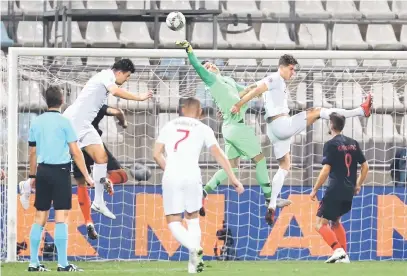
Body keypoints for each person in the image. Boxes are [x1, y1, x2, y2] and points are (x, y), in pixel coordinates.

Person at [231, 54, 373, 225]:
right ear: (282, 66)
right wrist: (238, 105)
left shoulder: (272, 81)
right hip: (281, 123)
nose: (293, 73)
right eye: (291, 69)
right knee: (318, 111)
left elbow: (249, 88)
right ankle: (360, 111)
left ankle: (272, 204)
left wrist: (233, 101)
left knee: (284, 166)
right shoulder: (275, 78)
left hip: (273, 130)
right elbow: (255, 91)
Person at [176, 40, 291, 219]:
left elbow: (245, 91)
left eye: (212, 64)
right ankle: (269, 199)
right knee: (260, 159)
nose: (210, 65)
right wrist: (190, 50)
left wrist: (261, 86)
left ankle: (204, 192)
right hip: (236, 127)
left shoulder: (227, 80)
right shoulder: (212, 81)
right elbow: (198, 66)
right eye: (208, 66)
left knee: (232, 167)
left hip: (230, 128)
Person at [153, 97, 244, 273]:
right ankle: (193, 267)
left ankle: (194, 248)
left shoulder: (169, 125)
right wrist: (233, 178)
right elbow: (219, 155)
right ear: (200, 112)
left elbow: (156, 154)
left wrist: (170, 170)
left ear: (182, 109)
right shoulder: (203, 128)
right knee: (192, 219)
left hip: (172, 174)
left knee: (173, 222)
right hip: (193, 175)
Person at [63, 59, 152, 219]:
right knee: (56, 161)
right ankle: (29, 184)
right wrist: (139, 97)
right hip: (74, 122)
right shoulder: (105, 76)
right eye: (127, 76)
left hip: (83, 124)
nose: (126, 80)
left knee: (101, 158)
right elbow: (116, 91)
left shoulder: (104, 79)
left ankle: (98, 201)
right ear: (119, 72)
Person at [27, 86, 93, 272]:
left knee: (40, 215)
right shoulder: (65, 122)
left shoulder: (36, 122)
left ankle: (33, 263)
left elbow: (32, 152)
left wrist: (32, 175)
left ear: (46, 101)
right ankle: (63, 264)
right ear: (62, 100)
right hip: (61, 171)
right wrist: (87, 176)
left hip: (43, 171)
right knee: (61, 217)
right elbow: (75, 151)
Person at [310, 113, 369, 264]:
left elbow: (326, 170)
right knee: (335, 221)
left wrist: (315, 189)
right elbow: (365, 166)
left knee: (319, 224)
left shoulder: (331, 144)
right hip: (348, 190)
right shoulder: (353, 143)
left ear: (331, 125)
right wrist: (358, 184)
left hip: (335, 189)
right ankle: (345, 256)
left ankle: (338, 250)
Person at [73, 104, 129, 239]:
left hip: (77, 146)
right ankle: (109, 180)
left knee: (81, 183)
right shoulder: (97, 106)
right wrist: (124, 123)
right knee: (122, 175)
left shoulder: (73, 109)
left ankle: (88, 222)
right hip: (94, 143)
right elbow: (117, 111)